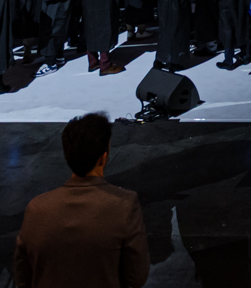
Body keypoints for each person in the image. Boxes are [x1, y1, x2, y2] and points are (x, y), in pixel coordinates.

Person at [13, 112, 150, 288]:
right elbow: (137, 277)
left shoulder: (37, 207)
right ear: (103, 158)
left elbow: (22, 276)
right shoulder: (124, 205)